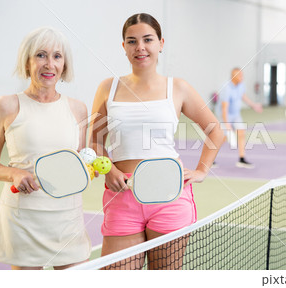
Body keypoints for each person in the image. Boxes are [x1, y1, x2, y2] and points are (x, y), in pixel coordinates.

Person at [90, 13, 224, 269]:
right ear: (124, 47)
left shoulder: (179, 88)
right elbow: (95, 142)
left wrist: (202, 170)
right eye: (132, 41)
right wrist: (107, 168)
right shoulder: (108, 88)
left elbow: (215, 130)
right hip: (122, 196)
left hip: (169, 196)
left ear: (161, 43)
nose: (140, 47)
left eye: (147, 39)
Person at [0, 27, 91, 270]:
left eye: (57, 56)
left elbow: (79, 165)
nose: (49, 64)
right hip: (23, 221)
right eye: (41, 55)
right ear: (27, 62)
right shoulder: (7, 106)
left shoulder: (78, 109)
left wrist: (93, 168)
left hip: (67, 220)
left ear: (64, 65)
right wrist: (14, 173)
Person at [215, 67, 263, 168]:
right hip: (224, 114)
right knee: (222, 138)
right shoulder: (226, 88)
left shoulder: (241, 85)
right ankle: (210, 160)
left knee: (241, 132)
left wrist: (253, 105)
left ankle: (241, 159)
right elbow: (224, 107)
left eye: (242, 75)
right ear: (233, 77)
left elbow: (243, 96)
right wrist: (227, 124)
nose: (242, 77)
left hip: (236, 114)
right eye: (240, 75)